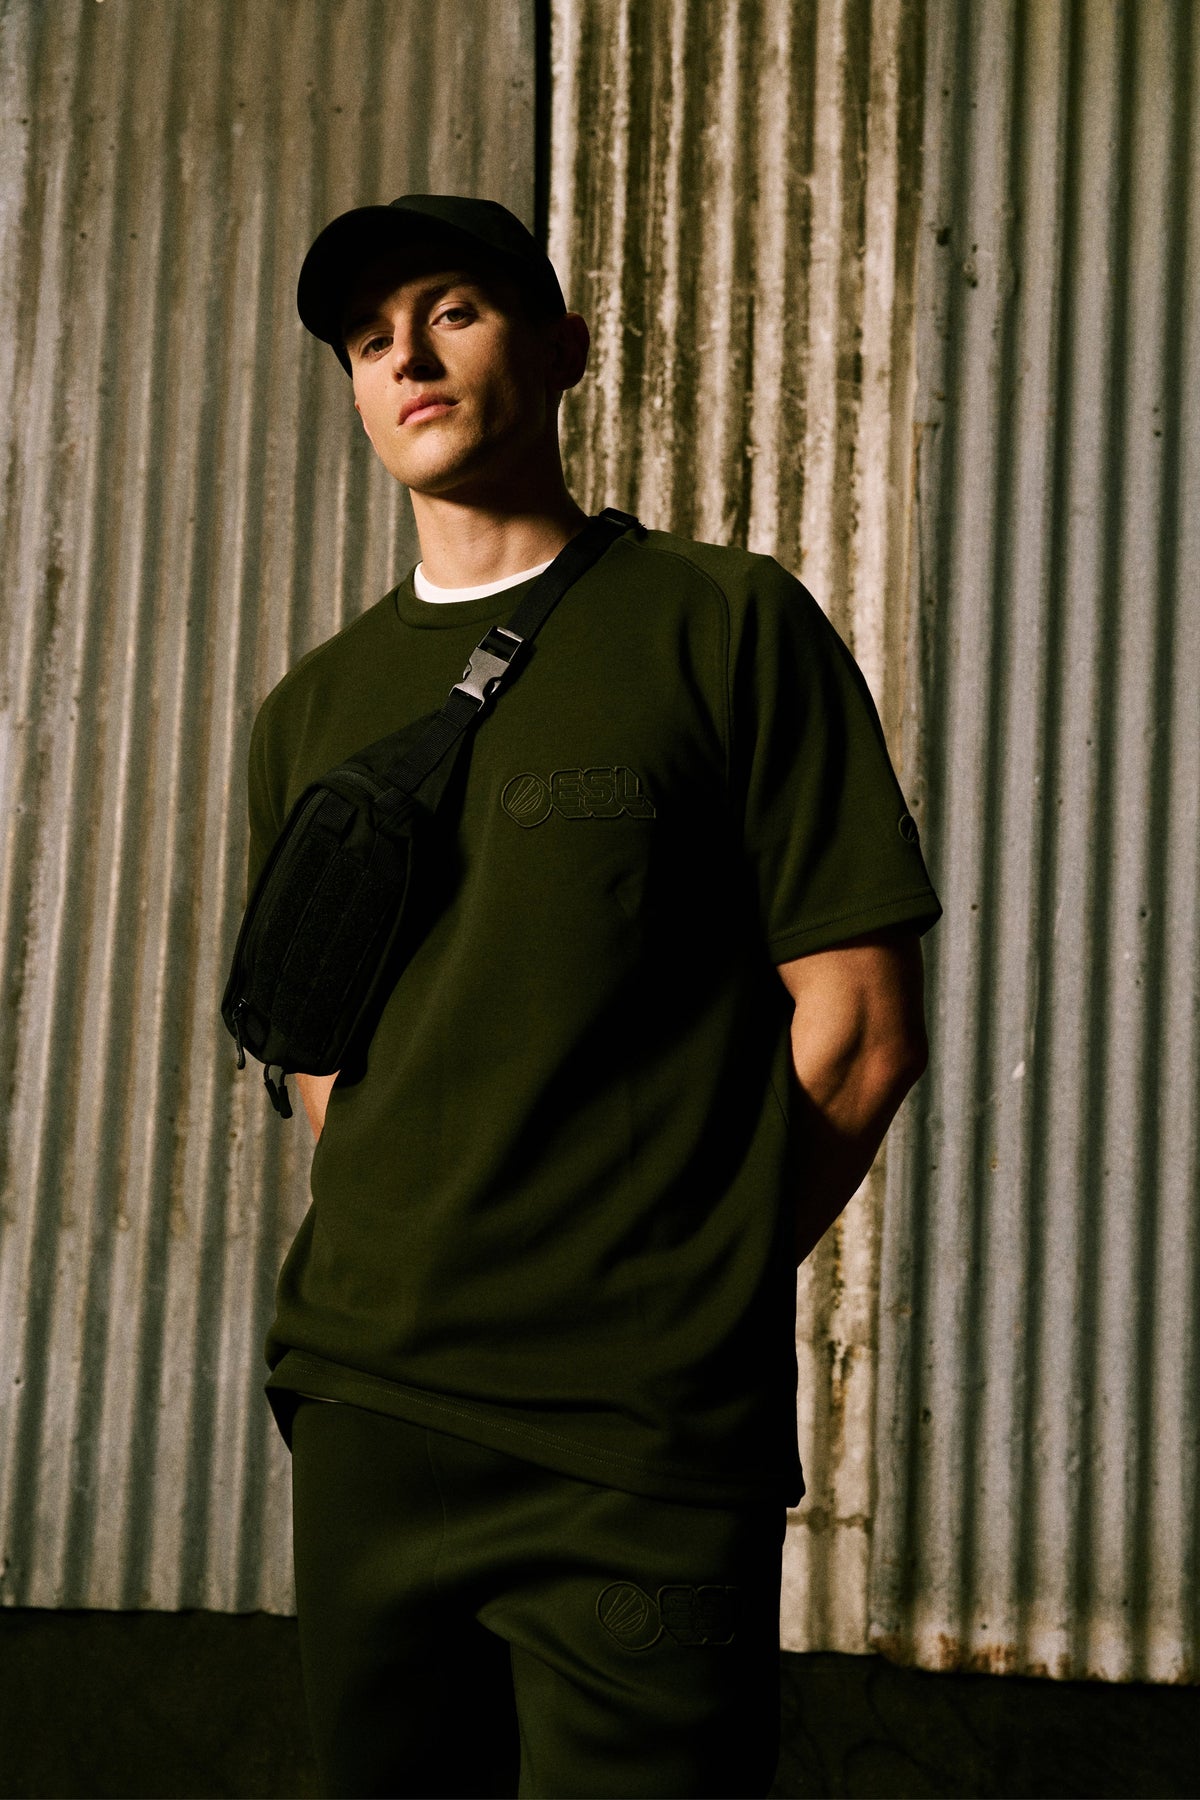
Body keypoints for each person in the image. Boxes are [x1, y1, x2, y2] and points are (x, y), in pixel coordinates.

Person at [242, 193, 942, 1799]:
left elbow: (859, 1031)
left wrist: (678, 1298)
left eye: (452, 311)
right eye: (369, 339)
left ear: (562, 350)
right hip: (368, 1408)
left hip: (632, 1441)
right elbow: (327, 1066)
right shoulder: (311, 711)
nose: (407, 358)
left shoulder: (723, 624)